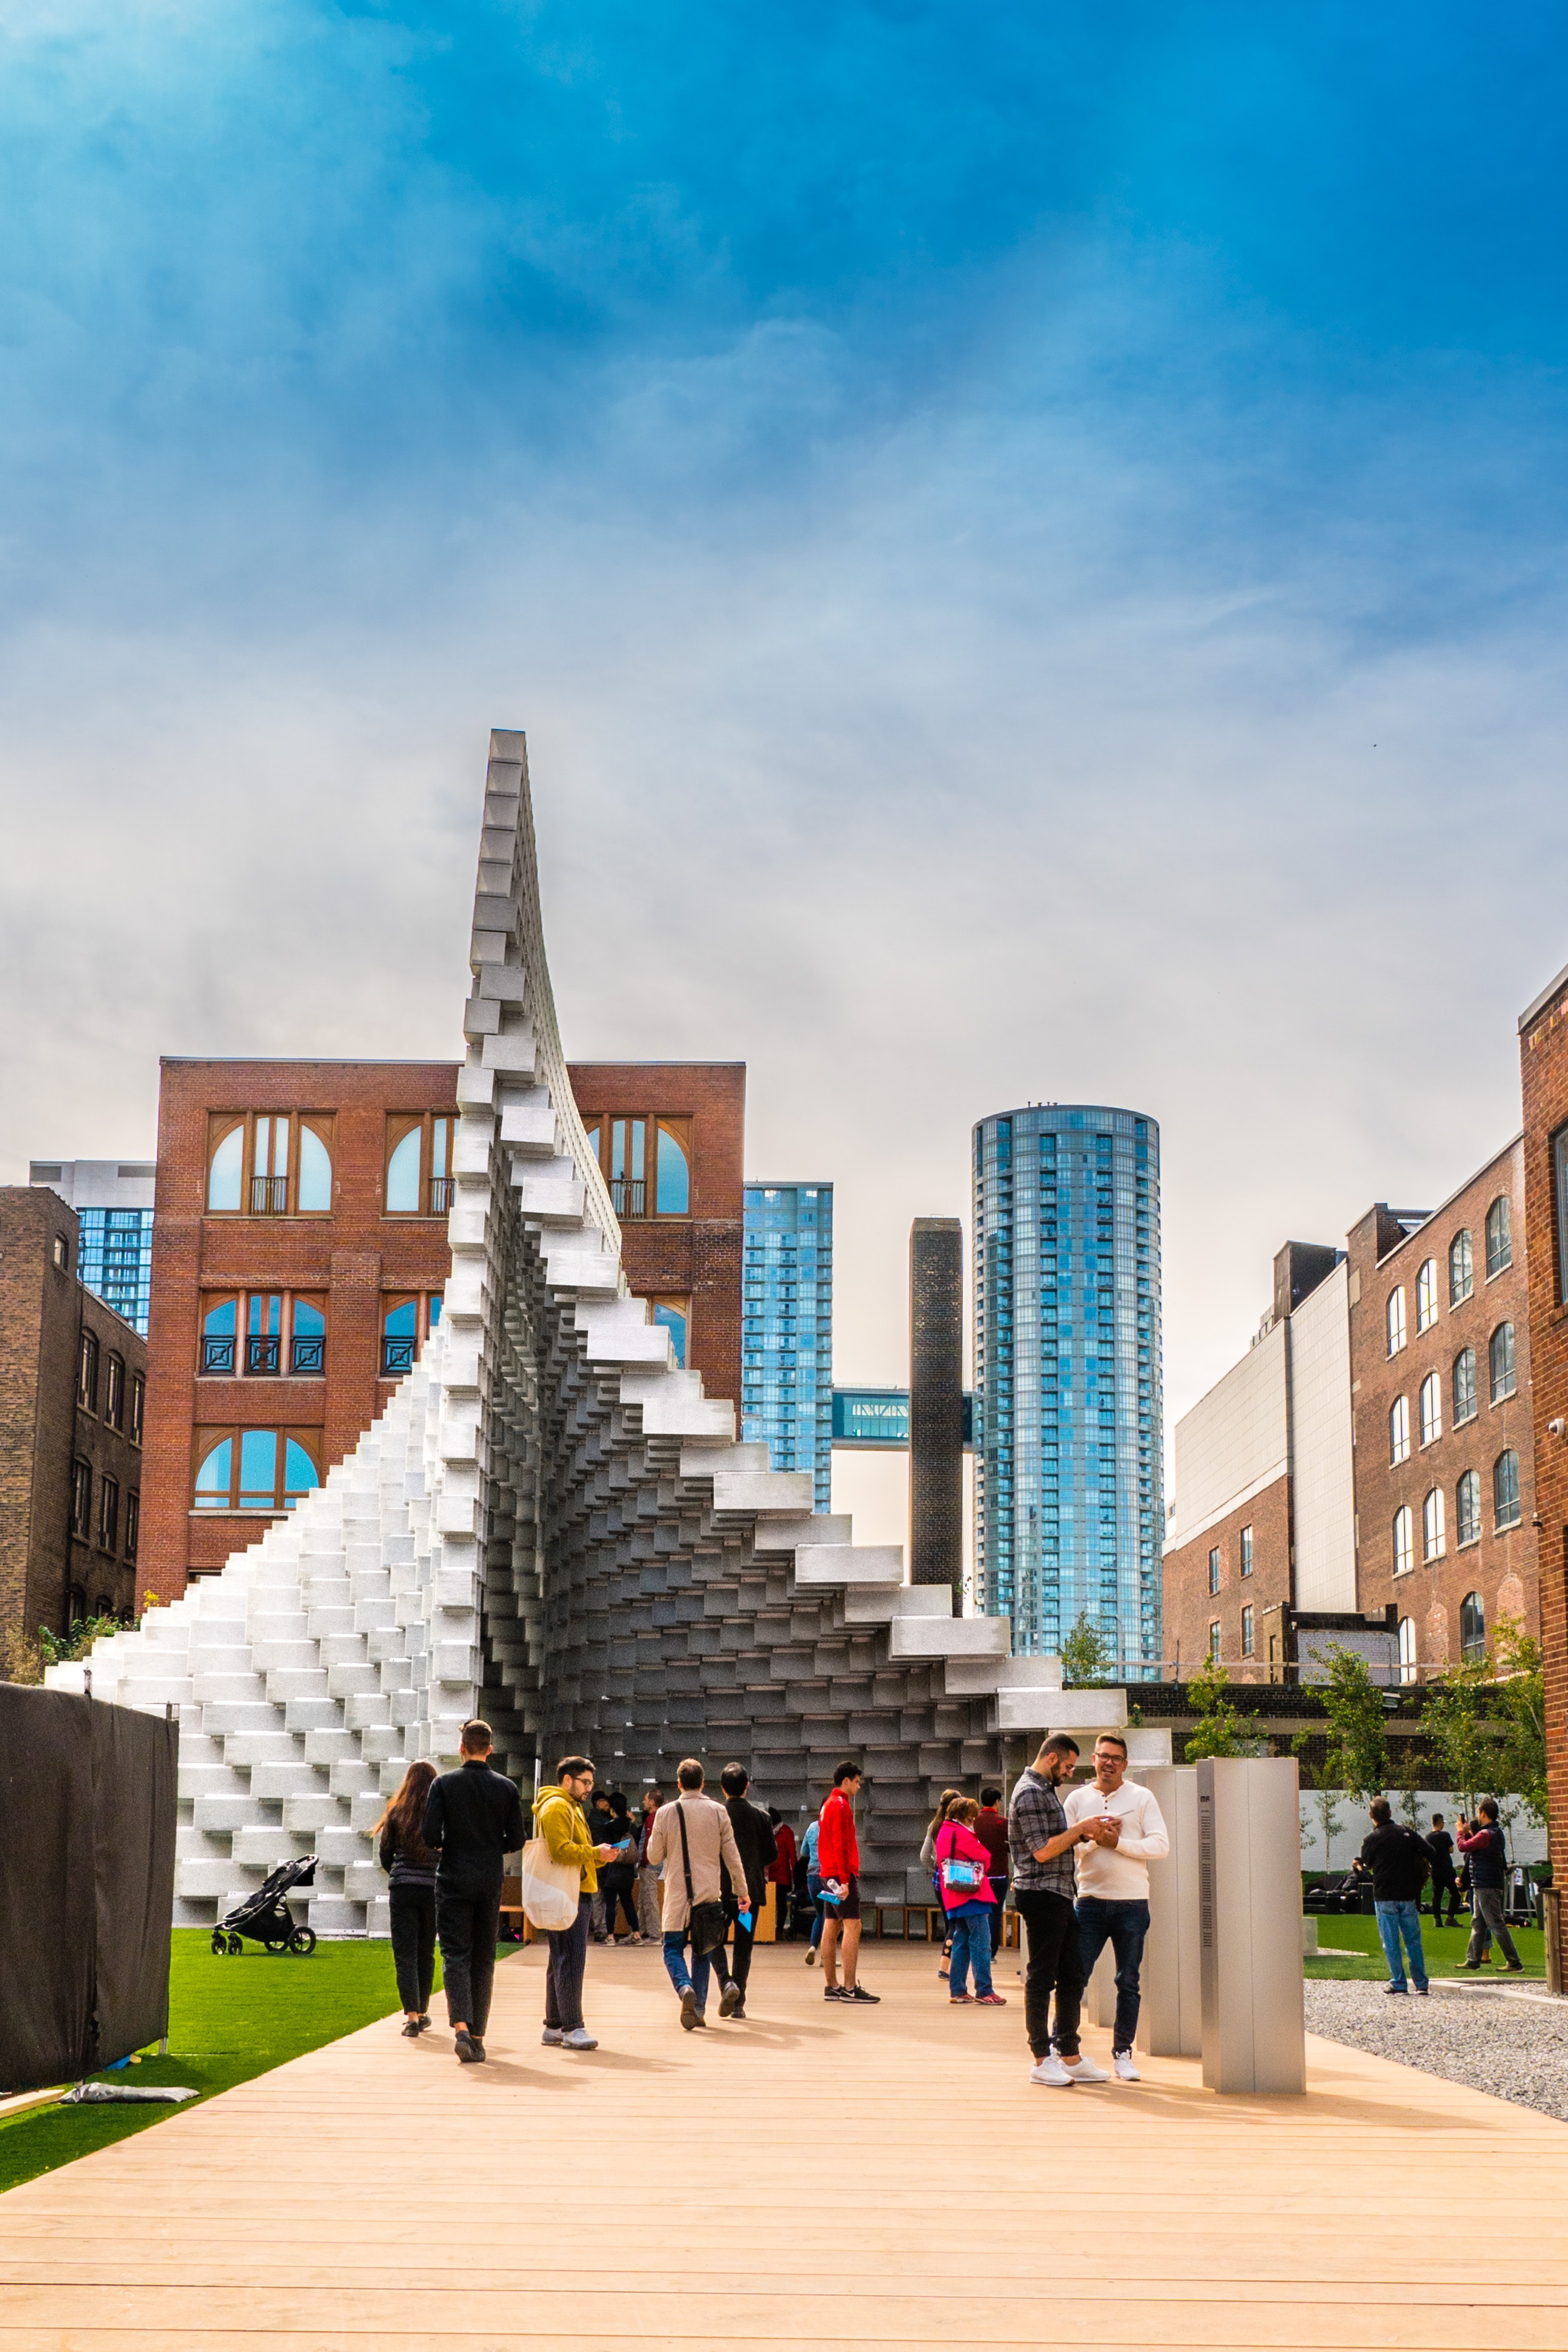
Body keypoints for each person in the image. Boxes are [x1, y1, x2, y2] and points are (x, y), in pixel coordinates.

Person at [1064, 1731, 1169, 2082]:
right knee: (1075, 1976)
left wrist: (1119, 1843)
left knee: (1129, 1980)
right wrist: (1094, 1838)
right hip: (1090, 1902)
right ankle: (1062, 2045)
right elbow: (1066, 1849)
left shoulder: (1142, 1797)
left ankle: (1123, 2053)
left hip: (1132, 1904)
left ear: (1125, 1764)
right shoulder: (1077, 1800)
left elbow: (1160, 1846)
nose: (1108, 1763)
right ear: (1092, 1759)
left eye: (1116, 1758)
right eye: (1102, 1756)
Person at [421, 1718, 526, 2064]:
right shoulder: (506, 1788)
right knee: (484, 1957)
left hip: (453, 1877)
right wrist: (491, 1844)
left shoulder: (444, 1784)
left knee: (455, 1954)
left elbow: (430, 1835)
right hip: (488, 1878)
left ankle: (462, 2027)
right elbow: (517, 1840)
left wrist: (450, 1845)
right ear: (490, 1750)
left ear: (461, 1748)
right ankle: (478, 2035)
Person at [1007, 1735, 1106, 2087]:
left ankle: (1069, 2054)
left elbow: (1053, 1843)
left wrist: (1083, 1834)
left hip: (1059, 1893)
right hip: (1042, 1892)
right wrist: (1079, 1829)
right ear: (1051, 1759)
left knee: (1073, 1975)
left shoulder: (1042, 1789)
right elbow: (1041, 1851)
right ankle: (1040, 2058)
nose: (1069, 1773)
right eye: (1066, 1766)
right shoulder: (1031, 1791)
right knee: (1043, 1978)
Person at [646, 1758, 750, 2028]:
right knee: (703, 1951)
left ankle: (684, 1988)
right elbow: (732, 1855)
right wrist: (742, 1890)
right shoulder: (717, 1811)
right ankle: (699, 2009)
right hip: (708, 1894)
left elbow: (654, 1855)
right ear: (703, 1783)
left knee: (671, 1949)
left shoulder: (665, 1812)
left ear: (679, 1783)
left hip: (678, 1895)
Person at [533, 1756, 616, 2049]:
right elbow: (560, 1851)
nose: (589, 1789)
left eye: (591, 1783)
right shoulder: (558, 1806)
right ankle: (572, 2027)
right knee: (571, 1959)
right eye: (585, 1782)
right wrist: (595, 1853)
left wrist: (598, 1855)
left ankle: (555, 2025)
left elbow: (574, 1851)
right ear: (567, 1780)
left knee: (560, 1959)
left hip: (572, 1889)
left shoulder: (570, 1806)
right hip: (568, 1892)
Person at [375, 1758, 439, 2037]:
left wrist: (399, 1874)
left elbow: (385, 1854)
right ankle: (424, 2010)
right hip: (433, 1889)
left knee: (405, 1954)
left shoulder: (397, 1811)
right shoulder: (441, 1814)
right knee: (426, 1952)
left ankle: (411, 2017)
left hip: (403, 1889)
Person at [1355, 1797, 1431, 1995]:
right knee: (1413, 1940)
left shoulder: (1372, 1839)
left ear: (1371, 1816)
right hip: (1409, 1893)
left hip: (1385, 1894)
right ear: (1390, 1813)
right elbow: (1429, 1851)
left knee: (1391, 1941)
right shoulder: (1406, 1832)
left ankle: (1399, 1983)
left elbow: (1367, 1863)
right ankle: (1421, 1984)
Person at [817, 1759, 879, 2004]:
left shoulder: (828, 1804)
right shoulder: (842, 1806)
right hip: (840, 1875)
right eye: (857, 1782)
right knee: (854, 1927)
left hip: (826, 1874)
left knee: (831, 1926)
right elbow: (841, 1846)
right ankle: (851, 1988)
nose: (859, 1787)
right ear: (846, 1781)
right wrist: (845, 1880)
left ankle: (832, 1986)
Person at [934, 1797, 1005, 2005]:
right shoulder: (961, 1832)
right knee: (982, 1943)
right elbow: (984, 1857)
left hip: (954, 1894)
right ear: (965, 1817)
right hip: (972, 1894)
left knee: (962, 1942)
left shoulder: (944, 1831)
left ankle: (958, 1990)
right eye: (971, 1818)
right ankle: (985, 1990)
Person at [718, 1763, 777, 2017]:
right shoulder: (762, 1817)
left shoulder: (716, 1814)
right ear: (747, 1786)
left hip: (718, 1893)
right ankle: (738, 2003)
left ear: (722, 1789)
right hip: (749, 1896)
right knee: (744, 1947)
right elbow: (771, 1855)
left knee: (714, 1942)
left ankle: (726, 1983)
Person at [1458, 1799, 1525, 1973]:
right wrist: (1467, 1834)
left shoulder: (1485, 1835)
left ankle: (1514, 1962)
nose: (1477, 1816)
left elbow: (1463, 1847)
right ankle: (1473, 1959)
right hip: (1487, 1883)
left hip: (1486, 1884)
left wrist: (1460, 1832)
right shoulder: (1494, 1833)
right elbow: (1474, 1848)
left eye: (1479, 1812)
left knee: (1496, 1923)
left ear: (1484, 1814)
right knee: (1478, 1923)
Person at [920, 1789, 964, 1979]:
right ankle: (946, 1966)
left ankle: (950, 1964)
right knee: (957, 1923)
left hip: (939, 1880)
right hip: (958, 1879)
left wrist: (937, 1866)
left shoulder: (934, 1826)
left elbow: (924, 1856)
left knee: (949, 1923)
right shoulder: (960, 1826)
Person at [597, 1790, 642, 1944]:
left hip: (612, 1869)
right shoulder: (631, 1826)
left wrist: (616, 1848)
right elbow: (635, 1844)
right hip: (628, 1871)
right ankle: (637, 1934)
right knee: (628, 1902)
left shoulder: (608, 1827)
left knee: (610, 1904)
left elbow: (606, 1847)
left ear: (613, 1808)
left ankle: (610, 1937)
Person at [974, 1786, 1011, 1959]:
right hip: (999, 1874)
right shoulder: (1003, 1822)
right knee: (995, 1913)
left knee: (979, 1911)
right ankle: (991, 1952)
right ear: (997, 1802)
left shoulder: (974, 1821)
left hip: (978, 1875)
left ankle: (978, 1947)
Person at [588, 1788, 617, 1940]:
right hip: (603, 1865)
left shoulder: (591, 1819)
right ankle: (603, 1929)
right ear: (598, 1804)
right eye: (604, 1802)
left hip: (595, 1865)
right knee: (606, 1898)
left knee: (597, 1898)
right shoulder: (603, 1821)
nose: (607, 1805)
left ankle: (599, 1929)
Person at [636, 1787, 665, 1940]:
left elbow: (647, 1842)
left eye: (646, 1799)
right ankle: (638, 1932)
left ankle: (654, 1934)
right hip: (652, 1863)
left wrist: (643, 1860)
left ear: (652, 1802)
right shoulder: (659, 1817)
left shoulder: (653, 1818)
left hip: (649, 1864)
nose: (644, 1802)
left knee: (650, 1900)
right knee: (644, 1899)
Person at [766, 1806, 798, 1938]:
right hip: (769, 1874)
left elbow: (792, 1855)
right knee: (768, 1904)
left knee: (781, 1902)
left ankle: (779, 1929)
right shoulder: (767, 1833)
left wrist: (796, 1877)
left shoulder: (786, 1832)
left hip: (781, 1875)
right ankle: (767, 1929)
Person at [1426, 1813, 1462, 1927]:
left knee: (1437, 1896)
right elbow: (1451, 1850)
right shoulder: (1445, 1835)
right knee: (1456, 1894)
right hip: (1447, 1869)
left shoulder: (1428, 1837)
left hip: (1435, 1870)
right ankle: (1450, 1918)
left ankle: (1437, 1920)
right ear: (1441, 1823)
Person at [801, 1813, 824, 1964]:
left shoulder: (812, 1827)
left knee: (820, 1914)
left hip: (812, 1879)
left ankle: (813, 1947)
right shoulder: (832, 1827)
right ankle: (826, 1957)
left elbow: (804, 1852)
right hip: (828, 1879)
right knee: (830, 1917)